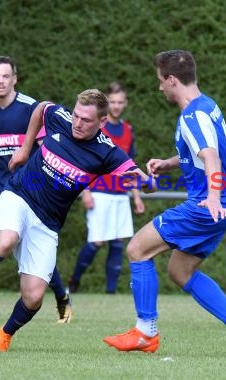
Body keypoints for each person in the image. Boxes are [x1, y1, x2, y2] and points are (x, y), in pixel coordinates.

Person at [0, 89, 156, 351]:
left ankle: (4, 336)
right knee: (5, 240)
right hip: (19, 193)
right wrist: (25, 148)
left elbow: (138, 177)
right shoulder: (61, 118)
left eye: (86, 120)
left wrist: (148, 181)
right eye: (76, 115)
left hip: (48, 221)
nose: (77, 122)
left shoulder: (107, 152)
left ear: (101, 122)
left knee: (33, 297)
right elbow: (41, 108)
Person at [103, 50, 226, 359]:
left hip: (207, 205)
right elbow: (202, 152)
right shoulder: (207, 107)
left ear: (172, 79)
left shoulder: (192, 115)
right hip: (222, 203)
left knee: (137, 249)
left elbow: (212, 157)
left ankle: (146, 333)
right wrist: (169, 163)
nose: (159, 88)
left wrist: (213, 197)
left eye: (160, 81)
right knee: (180, 270)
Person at [0, 55, 72, 324]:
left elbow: (49, 146)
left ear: (15, 78)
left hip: (29, 190)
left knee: (31, 253)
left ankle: (61, 295)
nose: (1, 81)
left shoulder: (29, 108)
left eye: (5, 76)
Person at [69, 81, 145, 294]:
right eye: (112, 101)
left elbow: (131, 166)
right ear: (106, 103)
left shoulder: (128, 130)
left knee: (119, 242)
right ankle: (73, 283)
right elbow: (81, 160)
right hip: (99, 192)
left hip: (121, 194)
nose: (116, 106)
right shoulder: (95, 127)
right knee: (97, 241)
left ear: (125, 103)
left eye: (120, 102)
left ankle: (110, 292)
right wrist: (84, 191)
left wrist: (137, 196)